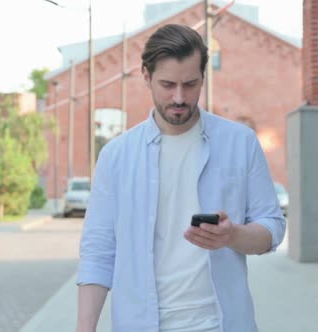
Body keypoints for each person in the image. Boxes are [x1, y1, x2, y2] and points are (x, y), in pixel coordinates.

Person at [77, 24, 286, 332]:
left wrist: (232, 236)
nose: (179, 97)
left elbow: (273, 227)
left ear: (204, 77)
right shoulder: (116, 156)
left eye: (190, 84)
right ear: (146, 77)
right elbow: (98, 251)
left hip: (221, 323)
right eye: (167, 84)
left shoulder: (240, 142)